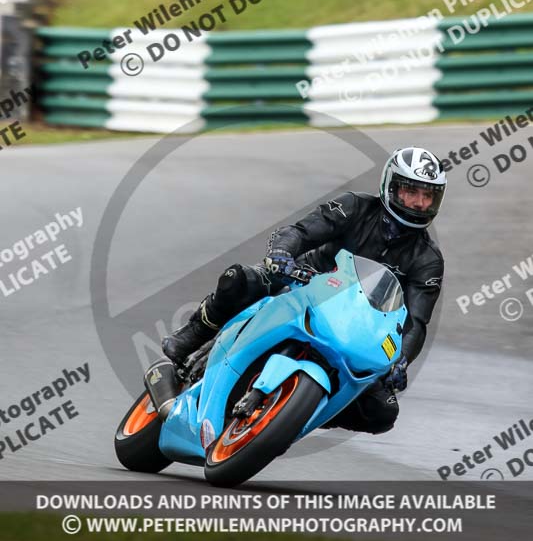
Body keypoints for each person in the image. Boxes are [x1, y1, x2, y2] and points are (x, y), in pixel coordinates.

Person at [163, 147, 447, 435]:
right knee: (238, 279)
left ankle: (303, 410)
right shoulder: (354, 206)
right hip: (303, 282)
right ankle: (196, 333)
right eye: (411, 191)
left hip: (355, 326)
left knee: (383, 412)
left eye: (428, 196)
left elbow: (416, 323)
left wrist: (402, 360)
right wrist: (281, 254)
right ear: (391, 186)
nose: (419, 203)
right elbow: (300, 231)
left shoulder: (428, 259)